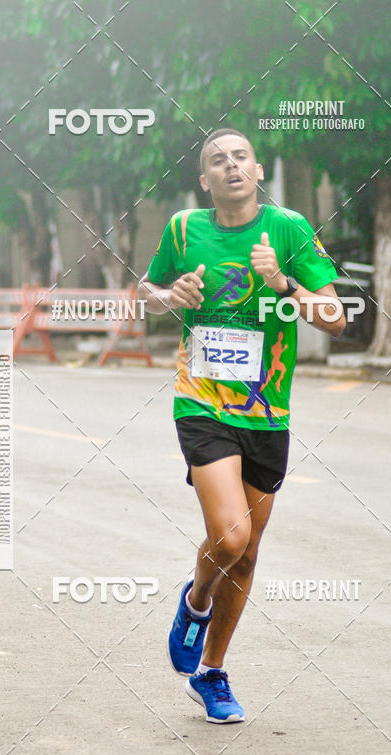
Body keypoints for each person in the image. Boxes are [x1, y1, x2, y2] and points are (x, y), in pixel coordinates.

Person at [138, 128, 345, 723]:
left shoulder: (288, 229)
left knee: (247, 555)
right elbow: (147, 292)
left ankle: (211, 670)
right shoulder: (183, 229)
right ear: (204, 179)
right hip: (201, 403)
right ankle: (197, 601)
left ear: (258, 169)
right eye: (216, 161)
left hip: (267, 410)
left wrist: (283, 281)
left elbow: (333, 318)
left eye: (239, 158)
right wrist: (168, 294)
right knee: (230, 539)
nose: (230, 167)